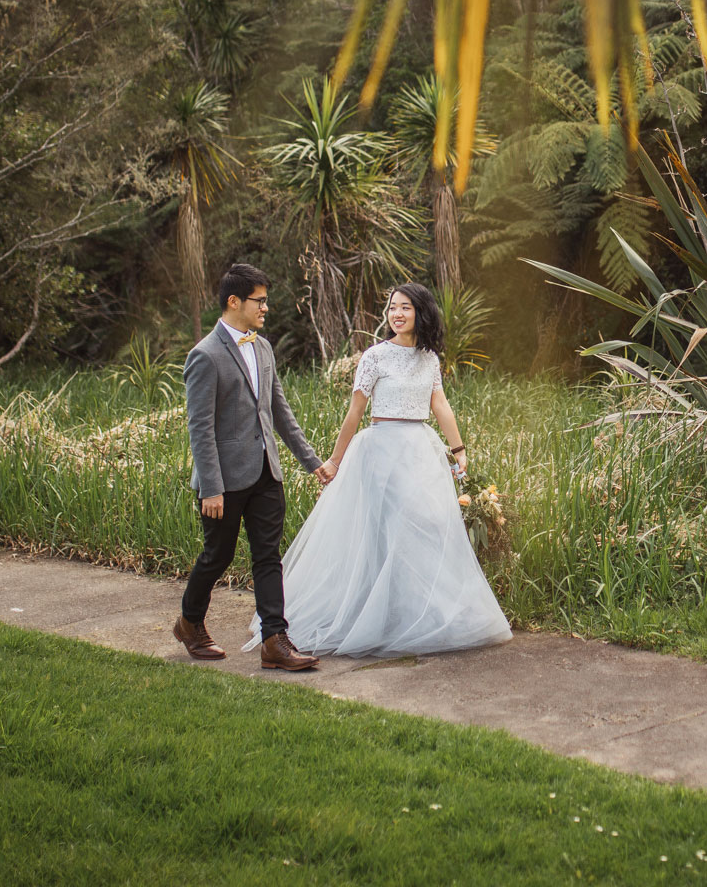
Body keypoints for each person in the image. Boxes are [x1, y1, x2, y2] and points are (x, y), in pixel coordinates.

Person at [251, 282, 511, 658]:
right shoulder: (375, 357)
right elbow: (355, 411)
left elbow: (441, 405)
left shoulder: (430, 359)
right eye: (393, 308)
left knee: (430, 528)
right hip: (380, 450)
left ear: (421, 312)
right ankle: (377, 616)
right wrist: (335, 461)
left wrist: (459, 450)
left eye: (405, 308)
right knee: (389, 532)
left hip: (421, 451)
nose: (397, 314)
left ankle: (420, 613)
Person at [172, 263, 325, 671]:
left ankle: (275, 640)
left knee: (268, 557)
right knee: (216, 556)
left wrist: (312, 463)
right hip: (223, 480)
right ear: (234, 301)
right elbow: (200, 428)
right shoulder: (204, 355)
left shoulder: (263, 347)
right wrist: (211, 487)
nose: (266, 308)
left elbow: (279, 411)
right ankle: (189, 622)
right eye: (260, 301)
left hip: (265, 474)